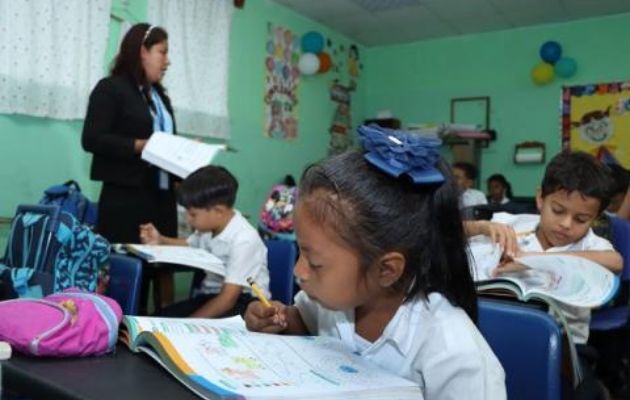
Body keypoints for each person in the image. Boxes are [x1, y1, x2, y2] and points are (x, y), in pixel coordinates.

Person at [245, 126, 506, 399]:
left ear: (386, 270)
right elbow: (304, 321)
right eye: (300, 252)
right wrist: (279, 320)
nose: (298, 271)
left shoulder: (456, 355)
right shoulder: (330, 302)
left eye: (315, 262)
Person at [489, 151, 622, 399]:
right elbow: (452, 232)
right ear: (540, 198)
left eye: (581, 219)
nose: (566, 224)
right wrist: (482, 227)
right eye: (558, 210)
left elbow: (615, 262)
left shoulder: (590, 246)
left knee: (579, 392)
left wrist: (535, 262)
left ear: (595, 219)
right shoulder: (512, 225)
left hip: (565, 346)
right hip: (504, 335)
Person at [81, 23, 177, 312]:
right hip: (125, 200)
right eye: (163, 52)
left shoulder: (161, 99)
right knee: (122, 278)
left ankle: (152, 338)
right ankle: (114, 337)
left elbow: (165, 143)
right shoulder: (111, 89)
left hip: (162, 199)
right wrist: (139, 145)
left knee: (159, 273)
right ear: (141, 52)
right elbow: (92, 138)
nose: (167, 61)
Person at [139, 165, 270, 319]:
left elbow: (228, 299)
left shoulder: (244, 239)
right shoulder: (208, 229)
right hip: (212, 297)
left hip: (245, 305)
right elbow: (188, 243)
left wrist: (187, 324)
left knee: (177, 327)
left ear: (218, 211)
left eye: (193, 214)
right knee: (158, 318)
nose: (188, 219)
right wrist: (161, 239)